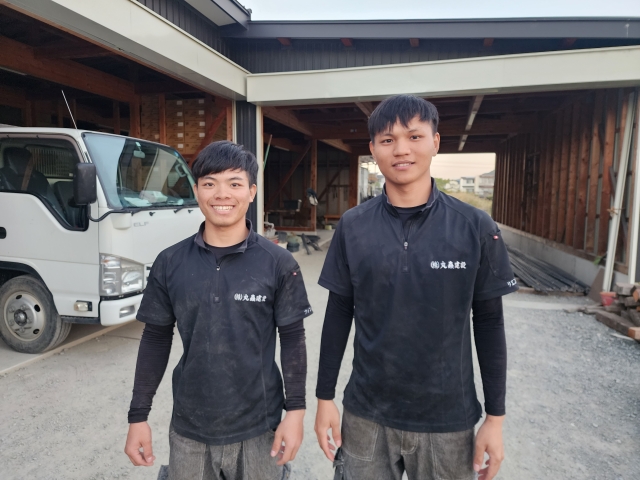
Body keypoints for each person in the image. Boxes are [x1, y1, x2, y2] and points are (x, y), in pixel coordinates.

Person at [314, 95, 518, 480]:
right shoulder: (353, 225)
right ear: (373, 149)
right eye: (387, 140)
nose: (401, 149)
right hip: (366, 414)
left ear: (435, 142)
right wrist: (324, 397)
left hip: (447, 420)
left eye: (414, 136)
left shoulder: (474, 226)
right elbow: (339, 312)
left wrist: (495, 418)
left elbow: (490, 323)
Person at [124, 141, 313, 480]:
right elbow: (155, 338)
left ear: (251, 192)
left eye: (234, 183)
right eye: (210, 183)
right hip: (190, 426)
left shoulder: (278, 263)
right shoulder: (170, 262)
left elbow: (293, 339)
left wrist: (295, 411)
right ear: (197, 191)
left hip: (260, 424)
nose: (221, 194)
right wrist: (138, 415)